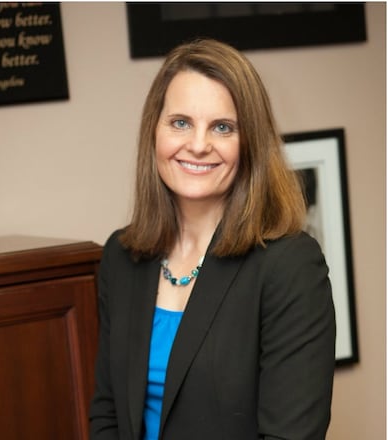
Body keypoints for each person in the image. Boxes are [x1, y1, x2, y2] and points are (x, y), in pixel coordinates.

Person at [88, 39, 335, 440]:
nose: (199, 145)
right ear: (155, 131)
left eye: (222, 127)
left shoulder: (290, 266)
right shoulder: (121, 255)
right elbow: (107, 412)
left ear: (250, 142)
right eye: (181, 122)